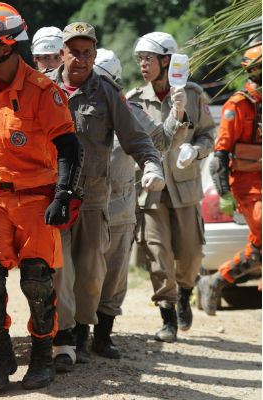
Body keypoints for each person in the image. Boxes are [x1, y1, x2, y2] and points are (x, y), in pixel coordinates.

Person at [0, 3, 83, 391]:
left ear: (7, 47)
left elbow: (69, 148)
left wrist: (63, 194)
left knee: (37, 282)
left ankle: (43, 359)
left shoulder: (44, 92)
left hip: (36, 196)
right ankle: (1, 357)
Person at [45, 23, 164, 370]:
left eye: (86, 52)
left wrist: (152, 165)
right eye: (73, 51)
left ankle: (83, 328)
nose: (79, 59)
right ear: (62, 52)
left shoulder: (107, 93)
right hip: (52, 196)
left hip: (95, 195)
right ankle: (63, 338)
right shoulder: (44, 87)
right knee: (59, 269)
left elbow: (136, 136)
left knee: (91, 270)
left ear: (94, 55)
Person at [91, 48, 188, 361]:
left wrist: (177, 110)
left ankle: (102, 337)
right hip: (84, 205)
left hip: (119, 205)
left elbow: (161, 140)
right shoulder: (69, 106)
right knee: (81, 273)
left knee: (115, 275)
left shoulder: (129, 110)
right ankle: (74, 336)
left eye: (103, 81)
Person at [127, 32, 215, 342]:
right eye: (140, 59)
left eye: (148, 59)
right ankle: (168, 316)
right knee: (157, 254)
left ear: (167, 61)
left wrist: (197, 151)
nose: (142, 65)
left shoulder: (191, 94)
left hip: (185, 187)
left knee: (190, 253)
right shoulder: (135, 100)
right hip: (150, 191)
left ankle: (186, 293)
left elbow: (207, 135)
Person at [199, 44, 262, 314]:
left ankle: (216, 280)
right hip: (248, 187)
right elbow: (220, 155)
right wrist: (224, 194)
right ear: (254, 70)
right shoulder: (237, 105)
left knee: (258, 246)